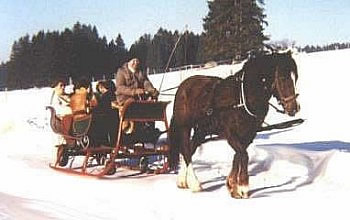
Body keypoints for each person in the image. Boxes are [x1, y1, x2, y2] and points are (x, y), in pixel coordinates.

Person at [90, 80, 119, 147]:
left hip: (106, 118)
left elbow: (102, 107)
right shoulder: (113, 94)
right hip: (113, 117)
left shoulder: (105, 96)